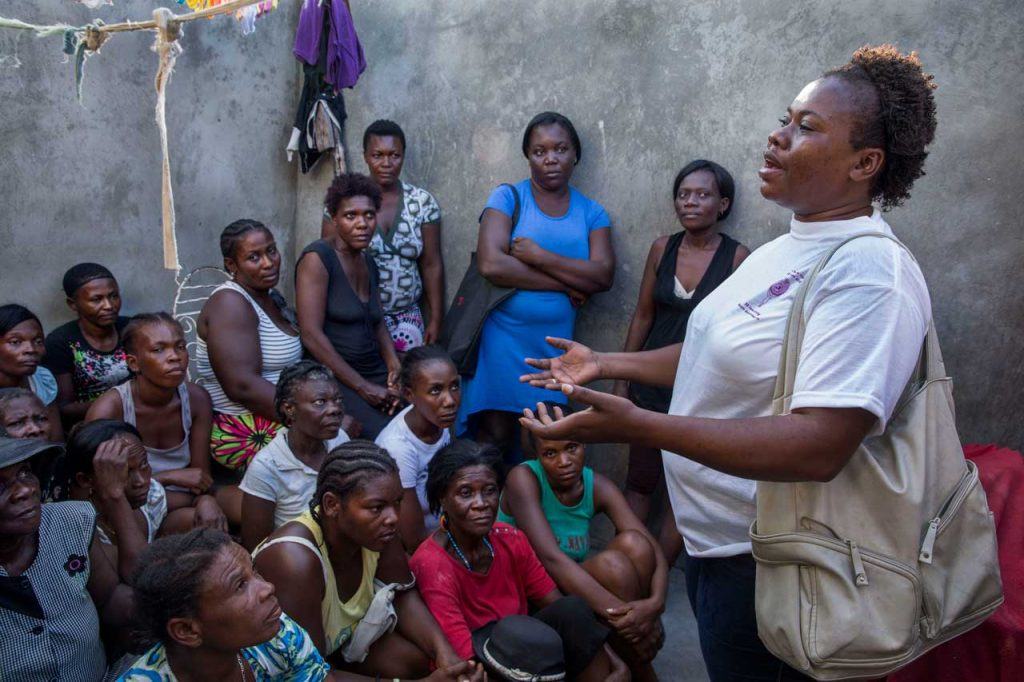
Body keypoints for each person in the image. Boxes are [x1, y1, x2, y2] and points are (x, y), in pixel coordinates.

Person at [520, 45, 938, 681]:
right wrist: (605, 363)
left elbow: (818, 446)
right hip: (721, 555)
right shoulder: (789, 246)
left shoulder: (868, 271)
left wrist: (634, 426)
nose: (778, 135)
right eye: (785, 117)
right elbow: (711, 355)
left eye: (806, 127)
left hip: (782, 566)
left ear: (865, 162)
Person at [120, 528, 484, 681]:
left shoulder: (277, 637)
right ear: (186, 630)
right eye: (240, 585)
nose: (268, 589)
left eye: (256, 572)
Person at [456, 112, 614, 460]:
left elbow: (602, 276)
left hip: (553, 350)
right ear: (528, 156)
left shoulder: (592, 213)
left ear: (576, 155)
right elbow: (491, 264)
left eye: (560, 149)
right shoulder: (508, 198)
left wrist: (541, 256)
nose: (550, 158)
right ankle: (492, 513)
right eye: (540, 151)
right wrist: (565, 285)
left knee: (545, 441)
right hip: (500, 340)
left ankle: (527, 514)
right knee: (492, 437)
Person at [613, 160, 749, 552]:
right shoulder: (662, 248)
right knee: (640, 479)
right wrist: (623, 381)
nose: (690, 202)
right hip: (651, 386)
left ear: (722, 205)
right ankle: (630, 563)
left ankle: (662, 570)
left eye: (703, 195)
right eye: (684, 194)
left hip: (701, 389)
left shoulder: (737, 258)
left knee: (686, 486)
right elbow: (642, 317)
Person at [411, 439, 627, 682]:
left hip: (523, 647)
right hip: (479, 665)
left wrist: (616, 662)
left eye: (490, 491)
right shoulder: (432, 563)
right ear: (443, 498)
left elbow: (563, 609)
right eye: (465, 493)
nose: (481, 504)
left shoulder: (510, 539)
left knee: (573, 608)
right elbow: (462, 656)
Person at [253, 441, 469, 678]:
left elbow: (402, 594)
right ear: (332, 504)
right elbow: (311, 672)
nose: (393, 517)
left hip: (338, 648)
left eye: (397, 503)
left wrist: (447, 656)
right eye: (377, 507)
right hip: (298, 671)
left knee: (413, 660)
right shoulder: (294, 560)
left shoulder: (375, 532)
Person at [498, 403, 668, 680]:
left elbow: (650, 546)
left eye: (572, 447)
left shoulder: (596, 485)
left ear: (584, 445)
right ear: (537, 457)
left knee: (634, 545)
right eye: (550, 453)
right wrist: (630, 619)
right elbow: (551, 559)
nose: (564, 461)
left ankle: (627, 646)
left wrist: (653, 607)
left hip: (574, 590)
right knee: (612, 567)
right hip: (535, 597)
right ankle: (639, 662)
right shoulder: (523, 478)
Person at [0, 436, 134, 681]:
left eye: (24, 473)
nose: (25, 490)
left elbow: (109, 598)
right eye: (0, 486)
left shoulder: (69, 522)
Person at [196, 219, 304, 522]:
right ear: (232, 264)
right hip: (243, 427)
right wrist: (307, 415)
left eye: (272, 251)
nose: (269, 262)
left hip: (277, 415)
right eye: (254, 257)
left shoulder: (270, 298)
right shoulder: (230, 302)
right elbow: (242, 385)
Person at [86, 313, 223, 526]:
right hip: (130, 507)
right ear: (133, 363)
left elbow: (199, 478)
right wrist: (169, 477)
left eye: (180, 347)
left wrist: (204, 498)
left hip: (187, 498)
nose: (174, 357)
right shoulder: (110, 408)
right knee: (201, 521)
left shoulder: (196, 399)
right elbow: (104, 490)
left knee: (243, 502)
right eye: (158, 350)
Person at [297, 173, 401, 439]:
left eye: (368, 215)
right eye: (350, 216)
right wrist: (363, 387)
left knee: (421, 419)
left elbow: (378, 321)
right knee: (386, 437)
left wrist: (393, 365)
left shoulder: (368, 262)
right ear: (334, 218)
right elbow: (311, 335)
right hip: (337, 379)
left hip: (373, 372)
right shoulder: (318, 259)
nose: (362, 224)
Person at [239, 360, 350, 550]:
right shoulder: (267, 467)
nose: (335, 409)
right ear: (289, 409)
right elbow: (256, 548)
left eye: (337, 400)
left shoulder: (339, 440)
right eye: (320, 402)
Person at [356, 119, 446, 351]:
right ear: (365, 156)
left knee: (410, 382)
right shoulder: (347, 202)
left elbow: (431, 264)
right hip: (359, 320)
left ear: (403, 155)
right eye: (377, 155)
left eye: (394, 155)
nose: (386, 163)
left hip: (408, 319)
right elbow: (329, 259)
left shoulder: (421, 202)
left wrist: (436, 317)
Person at [60, 420, 167, 582]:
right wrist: (115, 496)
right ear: (85, 480)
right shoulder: (81, 528)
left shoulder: (152, 494)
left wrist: (205, 501)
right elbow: (141, 577)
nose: (141, 481)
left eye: (144, 464)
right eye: (123, 472)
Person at [374, 345, 457, 550]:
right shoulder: (398, 447)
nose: (450, 400)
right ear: (409, 394)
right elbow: (413, 541)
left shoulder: (439, 420)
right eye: (435, 390)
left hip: (446, 532)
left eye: (454, 386)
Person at [44, 262, 131, 427]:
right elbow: (64, 408)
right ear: (72, 304)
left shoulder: (132, 329)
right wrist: (122, 402)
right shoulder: (60, 342)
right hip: (91, 428)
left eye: (114, 296)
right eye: (96, 299)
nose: (109, 306)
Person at [0, 304, 63, 441]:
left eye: (38, 341)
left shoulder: (41, 379)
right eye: (15, 342)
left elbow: (56, 441)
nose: (31, 349)